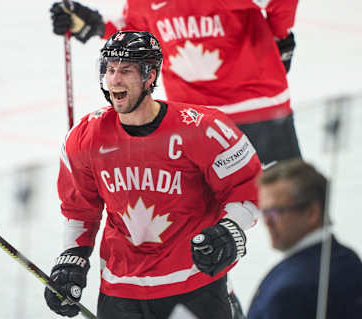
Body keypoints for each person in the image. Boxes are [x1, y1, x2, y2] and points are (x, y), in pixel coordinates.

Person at [44, 30, 261, 319]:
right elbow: (80, 210)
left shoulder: (201, 128)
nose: (115, 79)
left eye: (127, 70)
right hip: (121, 291)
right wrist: (73, 256)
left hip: (194, 284)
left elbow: (250, 185)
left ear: (150, 76)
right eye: (110, 69)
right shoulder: (86, 138)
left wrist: (231, 228)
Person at [49, 0, 302, 169]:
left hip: (257, 109)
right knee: (199, 233)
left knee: (294, 210)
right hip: (195, 123)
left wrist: (279, 35)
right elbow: (138, 27)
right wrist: (94, 23)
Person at [248, 159, 362, 319]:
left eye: (275, 212)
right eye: (264, 212)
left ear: (312, 213)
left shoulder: (290, 292)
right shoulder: (347, 258)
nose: (266, 223)